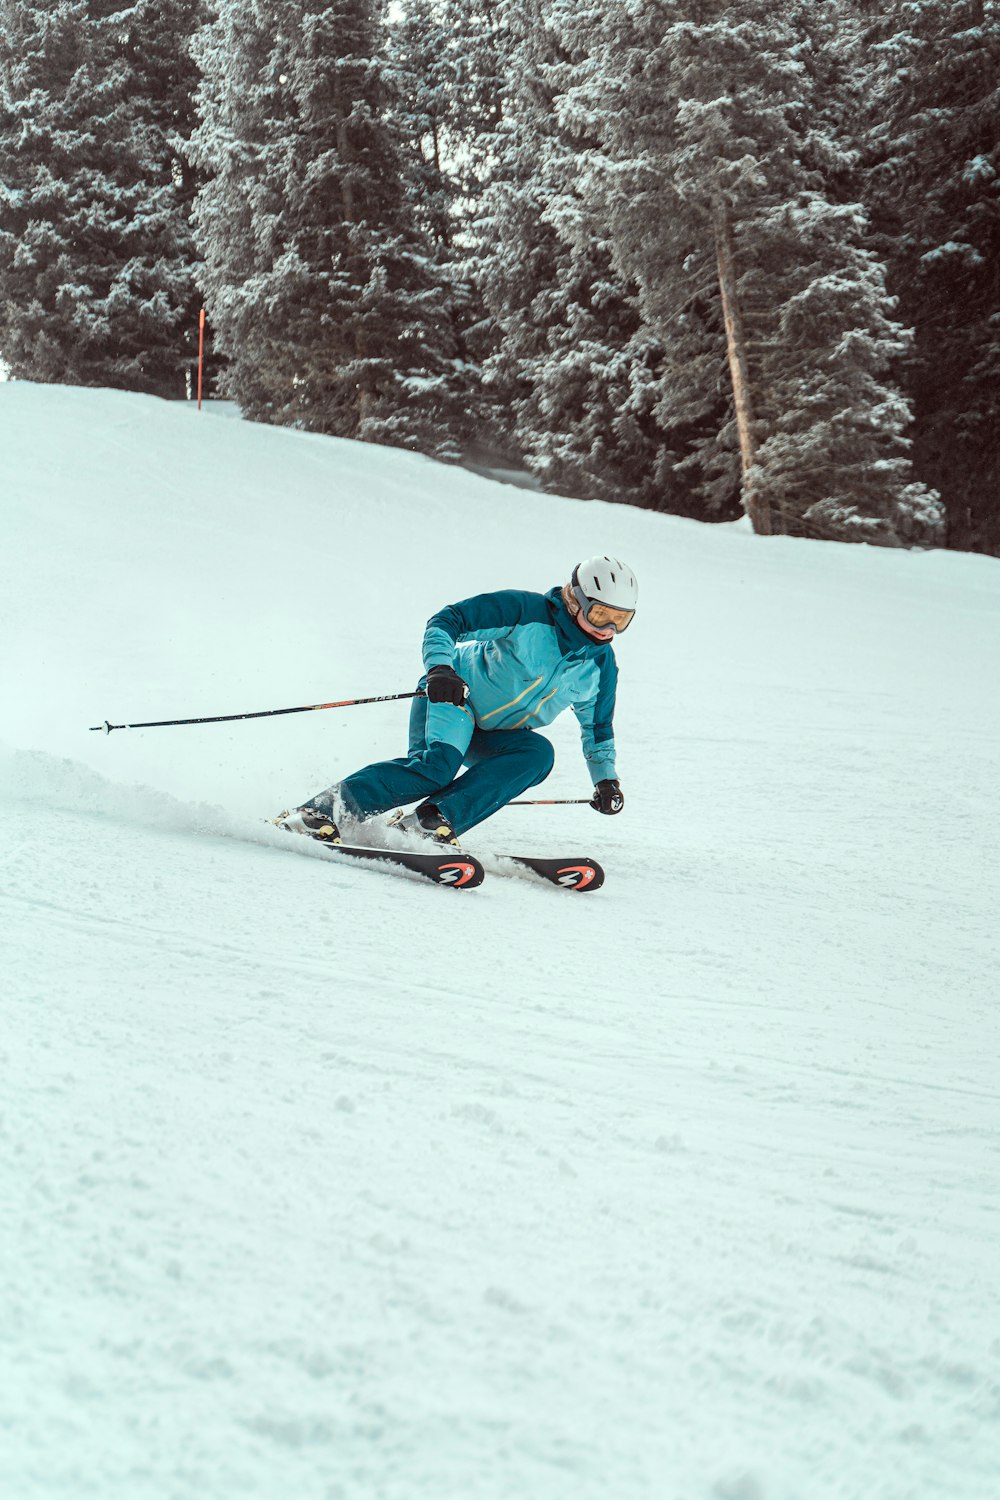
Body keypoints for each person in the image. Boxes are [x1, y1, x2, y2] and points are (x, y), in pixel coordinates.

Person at [275, 554, 637, 847]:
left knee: (538, 755)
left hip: (498, 733)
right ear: (576, 600)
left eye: (621, 621)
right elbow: (449, 620)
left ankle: (431, 822)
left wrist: (606, 780)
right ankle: (318, 812)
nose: (608, 630)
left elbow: (597, 729)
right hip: (453, 697)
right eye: (601, 614)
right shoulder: (526, 611)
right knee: (435, 768)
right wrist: (440, 669)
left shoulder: (600, 667)